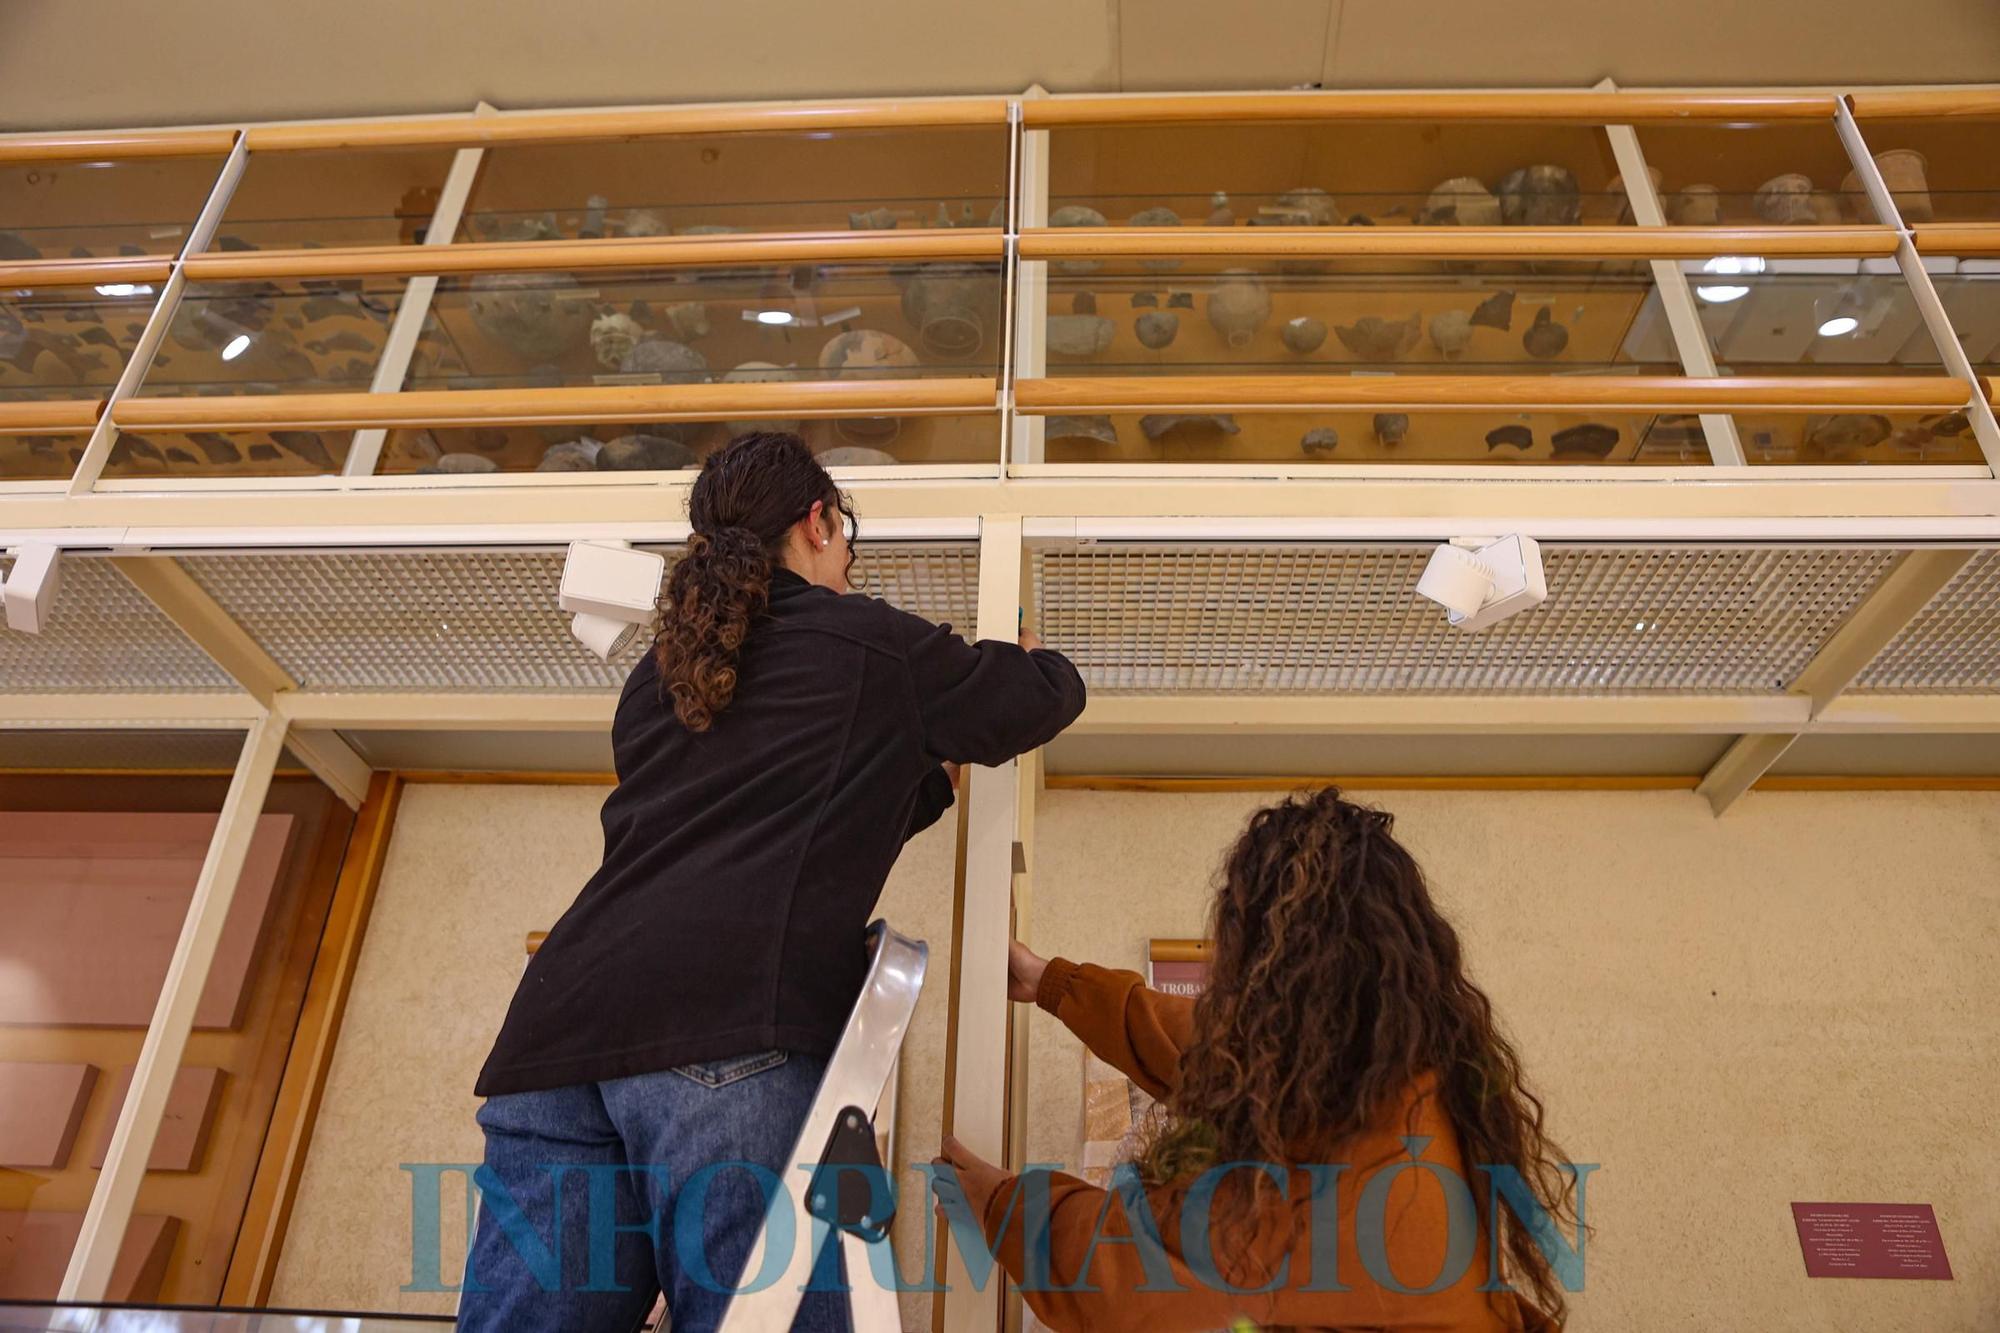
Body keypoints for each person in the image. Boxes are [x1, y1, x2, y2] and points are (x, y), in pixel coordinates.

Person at [460, 432, 1087, 1333]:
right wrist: (1030, 651)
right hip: (726, 1030)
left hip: (556, 1036)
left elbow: (779, 804)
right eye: (847, 552)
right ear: (820, 522)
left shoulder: (656, 677)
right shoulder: (867, 645)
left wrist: (918, 767)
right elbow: (1042, 695)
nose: (845, 573)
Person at [934, 786, 1573, 1331]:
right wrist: (1051, 981)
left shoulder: (1348, 1183)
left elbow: (1126, 1271)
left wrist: (998, 1203)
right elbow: (1212, 1053)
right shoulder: (1400, 1086)